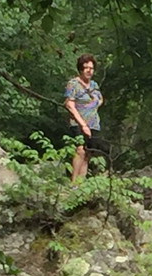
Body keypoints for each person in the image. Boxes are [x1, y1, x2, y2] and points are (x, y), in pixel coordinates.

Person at [63, 54, 104, 182]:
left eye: (91, 68)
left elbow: (100, 98)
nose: (88, 70)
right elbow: (69, 104)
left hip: (94, 123)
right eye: (85, 67)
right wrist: (83, 124)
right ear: (80, 69)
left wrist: (94, 106)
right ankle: (73, 182)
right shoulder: (73, 84)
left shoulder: (94, 85)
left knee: (88, 153)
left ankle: (81, 184)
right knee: (80, 150)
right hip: (78, 123)